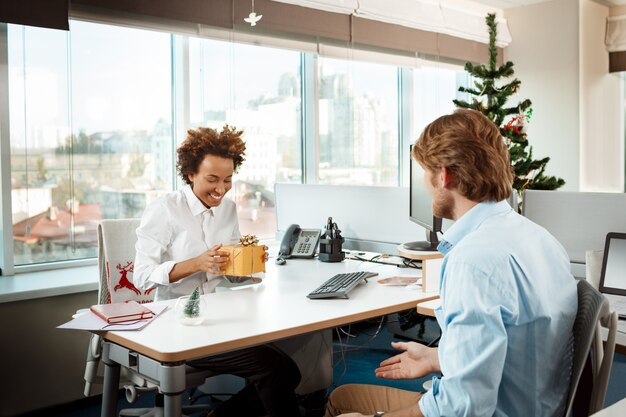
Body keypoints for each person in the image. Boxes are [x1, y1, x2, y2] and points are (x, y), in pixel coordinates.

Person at [324, 109, 578, 417]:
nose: (425, 184)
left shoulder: (473, 262)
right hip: (536, 405)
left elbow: (462, 408)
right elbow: (518, 348)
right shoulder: (541, 239)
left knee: (343, 404)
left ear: (444, 175)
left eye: (425, 173)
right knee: (346, 395)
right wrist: (438, 357)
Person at [133, 125, 301, 417]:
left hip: (217, 315)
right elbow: (141, 275)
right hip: (177, 323)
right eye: (212, 179)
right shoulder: (164, 210)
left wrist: (248, 266)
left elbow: (228, 271)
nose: (221, 189)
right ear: (190, 174)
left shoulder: (227, 209)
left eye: (227, 180)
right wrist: (196, 263)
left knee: (288, 370)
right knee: (275, 370)